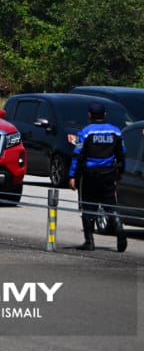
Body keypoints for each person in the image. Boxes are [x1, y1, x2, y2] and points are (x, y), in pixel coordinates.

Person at [68, 100, 127, 252]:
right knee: (110, 205)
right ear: (105, 115)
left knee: (88, 207)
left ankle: (89, 242)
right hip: (109, 174)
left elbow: (78, 155)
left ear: (90, 115)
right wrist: (120, 172)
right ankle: (120, 229)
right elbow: (122, 154)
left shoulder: (85, 132)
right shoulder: (116, 131)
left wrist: (72, 175)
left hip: (90, 176)